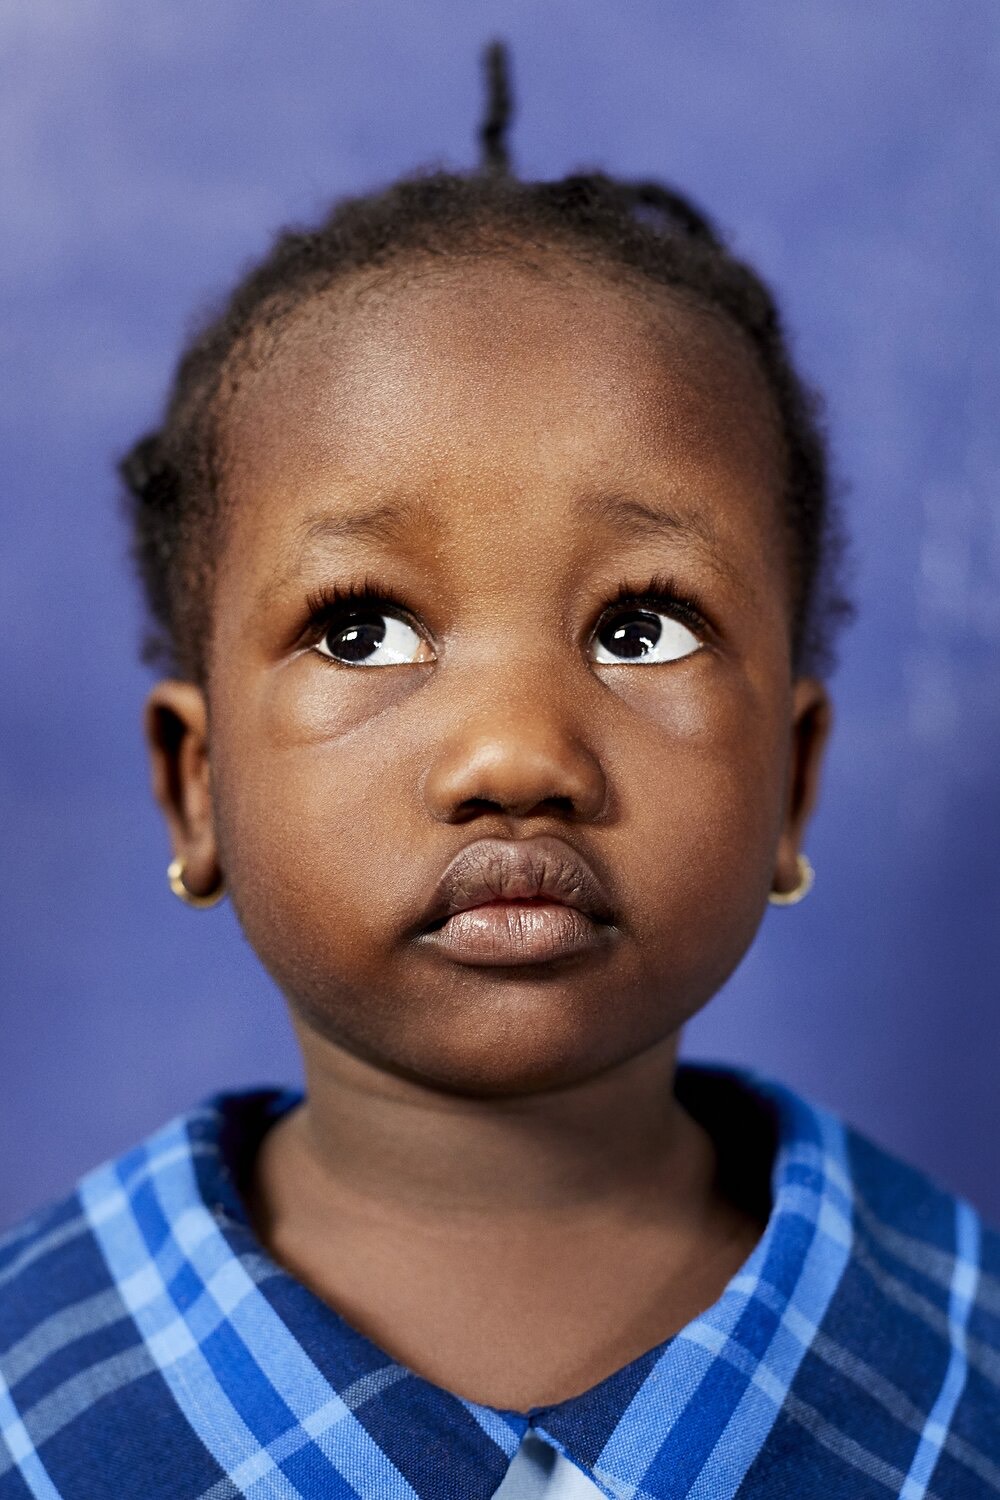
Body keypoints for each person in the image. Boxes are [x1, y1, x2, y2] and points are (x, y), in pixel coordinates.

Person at [1, 42, 997, 1500]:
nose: (518, 755)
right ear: (195, 783)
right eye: (362, 626)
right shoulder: (36, 1398)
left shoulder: (960, 1367)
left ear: (791, 779)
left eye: (643, 628)